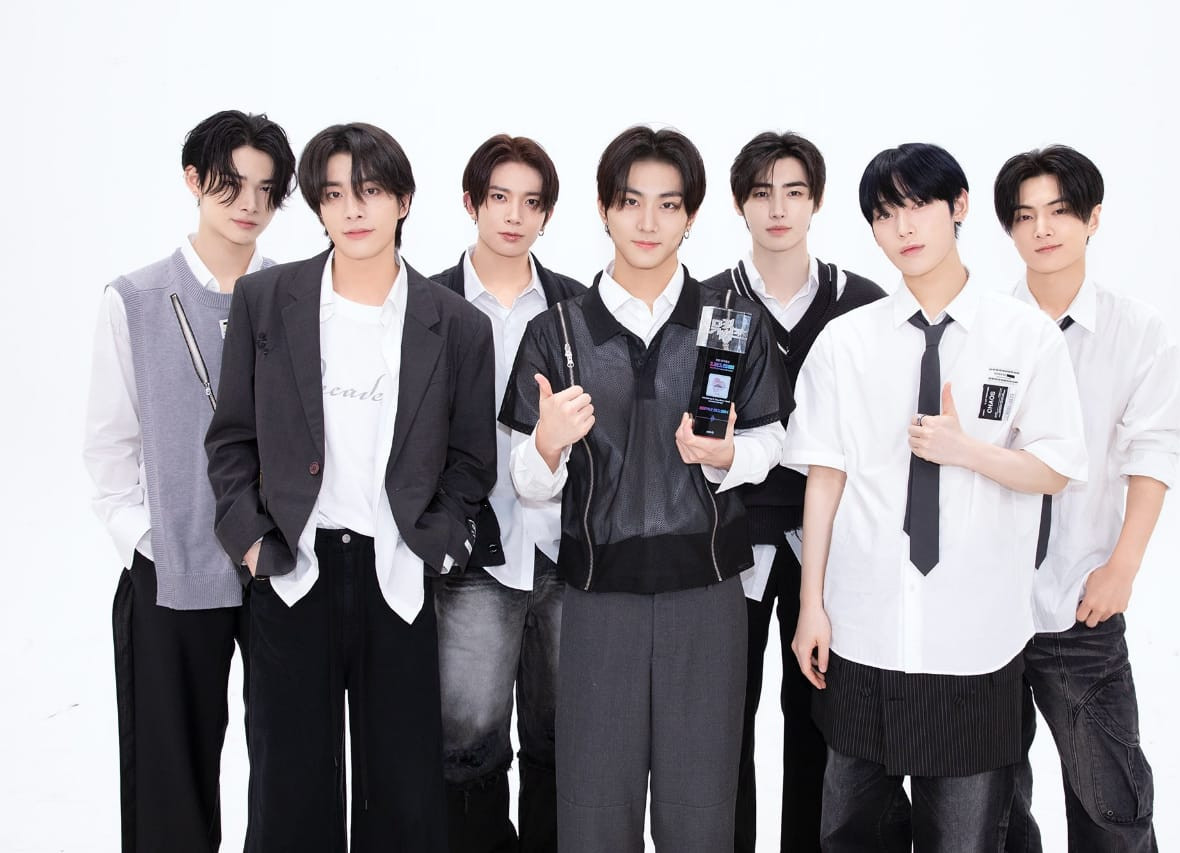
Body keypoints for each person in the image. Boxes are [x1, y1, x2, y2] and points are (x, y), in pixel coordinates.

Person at [785, 142, 1089, 852]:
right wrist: (810, 605)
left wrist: (968, 450)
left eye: (920, 204)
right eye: (885, 213)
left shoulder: (1025, 336)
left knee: (965, 838)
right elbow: (825, 477)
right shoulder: (846, 342)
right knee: (850, 833)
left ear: (959, 207)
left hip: (973, 640)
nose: (904, 226)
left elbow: (1057, 467)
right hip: (863, 629)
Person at [499, 125, 792, 852]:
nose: (649, 222)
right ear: (604, 209)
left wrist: (727, 456)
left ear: (690, 216)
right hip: (597, 600)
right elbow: (526, 480)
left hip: (708, 595)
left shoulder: (730, 324)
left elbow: (773, 438)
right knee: (595, 809)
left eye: (669, 204)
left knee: (701, 812)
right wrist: (548, 443)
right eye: (631, 202)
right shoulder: (558, 332)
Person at [205, 121, 496, 851]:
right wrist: (252, 543)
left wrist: (437, 544)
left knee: (403, 795)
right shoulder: (266, 299)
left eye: (369, 191)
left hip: (397, 572)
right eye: (333, 194)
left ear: (403, 200)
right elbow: (231, 438)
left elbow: (471, 460)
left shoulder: (457, 324)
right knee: (289, 792)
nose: (352, 209)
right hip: (292, 570)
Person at [84, 109, 295, 853]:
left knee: (290, 776)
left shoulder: (298, 298)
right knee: (169, 783)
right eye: (231, 184)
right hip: (172, 574)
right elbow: (109, 446)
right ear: (193, 180)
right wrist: (150, 544)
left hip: (281, 568)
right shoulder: (136, 299)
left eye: (266, 189)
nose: (249, 204)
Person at [994, 144, 1180, 853]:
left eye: (1059, 211)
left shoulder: (1137, 332)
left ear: (1093, 218)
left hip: (1082, 601)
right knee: (991, 812)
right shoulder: (985, 328)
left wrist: (1122, 569)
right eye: (1024, 216)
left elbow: (1152, 453)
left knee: (1111, 805)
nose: (1042, 228)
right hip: (987, 608)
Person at [701, 130, 885, 853]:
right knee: (725, 725)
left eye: (794, 191)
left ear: (817, 201)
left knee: (820, 723)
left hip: (833, 545)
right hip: (730, 542)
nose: (778, 209)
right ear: (739, 204)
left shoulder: (862, 304)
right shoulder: (709, 301)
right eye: (761, 193)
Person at [428, 133, 585, 853]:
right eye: (498, 198)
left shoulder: (576, 307)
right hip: (471, 555)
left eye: (531, 202)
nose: (514, 215)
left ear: (547, 214)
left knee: (564, 742)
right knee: (467, 747)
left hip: (563, 553)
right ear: (471, 202)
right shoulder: (427, 303)